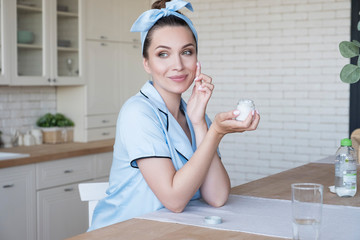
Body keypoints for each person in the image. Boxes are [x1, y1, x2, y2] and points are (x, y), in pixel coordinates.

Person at [88, 0, 260, 231]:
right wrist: (216, 133)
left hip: (171, 230)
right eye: (163, 54)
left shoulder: (194, 113)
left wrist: (201, 124)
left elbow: (217, 196)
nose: (178, 65)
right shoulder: (137, 113)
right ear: (146, 63)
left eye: (186, 52)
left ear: (196, 59)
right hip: (123, 232)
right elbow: (174, 200)